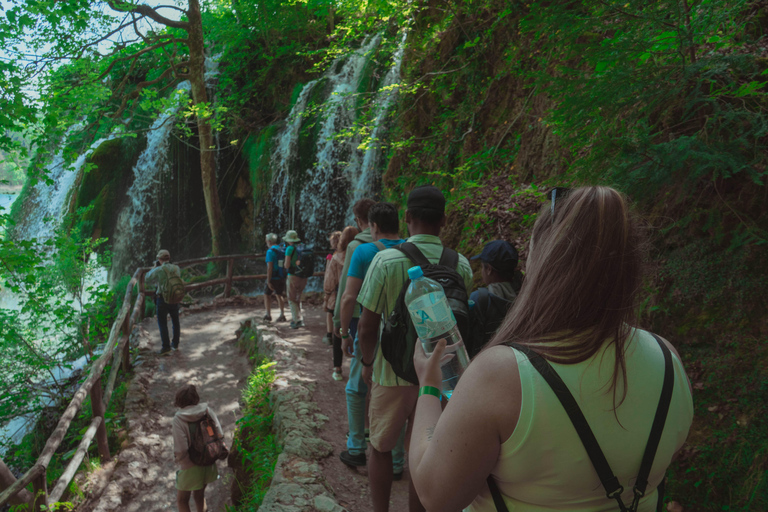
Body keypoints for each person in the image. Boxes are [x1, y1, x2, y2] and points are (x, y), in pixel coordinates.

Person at [408, 186, 694, 512]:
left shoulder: (502, 374)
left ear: (544, 265)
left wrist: (429, 384)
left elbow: (435, 495)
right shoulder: (668, 358)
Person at [357, 186, 473, 512]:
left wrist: (367, 363)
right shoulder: (460, 265)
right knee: (422, 453)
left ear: (406, 218)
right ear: (445, 221)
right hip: (442, 378)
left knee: (380, 448)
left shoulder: (385, 261)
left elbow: (367, 326)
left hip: (390, 373)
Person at [338, 202, 407, 476]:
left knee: (356, 387)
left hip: (369, 329)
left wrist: (343, 332)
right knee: (397, 393)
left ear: (372, 226)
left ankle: (356, 447)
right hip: (402, 333)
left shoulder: (364, 250)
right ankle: (398, 462)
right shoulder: (409, 249)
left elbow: (349, 296)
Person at [172, 384, 224, 512]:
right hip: (208, 460)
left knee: (182, 500)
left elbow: (181, 449)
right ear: (196, 398)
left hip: (190, 466)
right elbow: (220, 434)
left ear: (179, 401)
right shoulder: (207, 411)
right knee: (199, 495)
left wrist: (180, 461)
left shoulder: (178, 419)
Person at [332, 198, 376, 345]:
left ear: (358, 220)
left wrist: (338, 320)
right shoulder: (390, 242)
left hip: (358, 312)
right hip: (385, 312)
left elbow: (346, 287)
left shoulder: (355, 246)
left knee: (360, 358)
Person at [467, 240, 520, 355]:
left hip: (487, 360)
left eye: (482, 267)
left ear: (489, 269)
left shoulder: (479, 298)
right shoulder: (526, 293)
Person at [325, 227, 357, 380]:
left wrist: (327, 296)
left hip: (339, 298)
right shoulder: (360, 254)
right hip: (358, 300)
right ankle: (358, 368)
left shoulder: (336, 258)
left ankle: (337, 369)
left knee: (338, 333)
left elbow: (329, 282)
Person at [145, 249, 182, 355]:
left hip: (163, 298)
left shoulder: (159, 269)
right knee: (176, 321)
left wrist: (154, 268)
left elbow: (147, 278)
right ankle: (175, 344)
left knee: (162, 323)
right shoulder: (176, 268)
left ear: (159, 259)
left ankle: (166, 347)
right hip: (174, 297)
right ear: (169, 258)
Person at [283, 230, 307, 329]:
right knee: (298, 297)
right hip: (304, 276)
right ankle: (300, 318)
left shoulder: (289, 248)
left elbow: (286, 265)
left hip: (293, 275)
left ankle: (296, 320)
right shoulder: (303, 247)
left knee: (291, 298)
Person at [322, 231, 342, 345]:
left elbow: (328, 276)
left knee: (330, 312)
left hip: (334, 289)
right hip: (345, 288)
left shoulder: (332, 256)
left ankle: (330, 334)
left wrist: (327, 292)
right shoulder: (347, 254)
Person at [263, 233, 287, 323]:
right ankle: (282, 314)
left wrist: (268, 281)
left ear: (269, 241)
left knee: (266, 294)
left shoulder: (270, 252)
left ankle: (268, 315)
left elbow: (270, 267)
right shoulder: (281, 249)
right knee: (279, 295)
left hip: (273, 277)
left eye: (266, 240)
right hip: (281, 276)